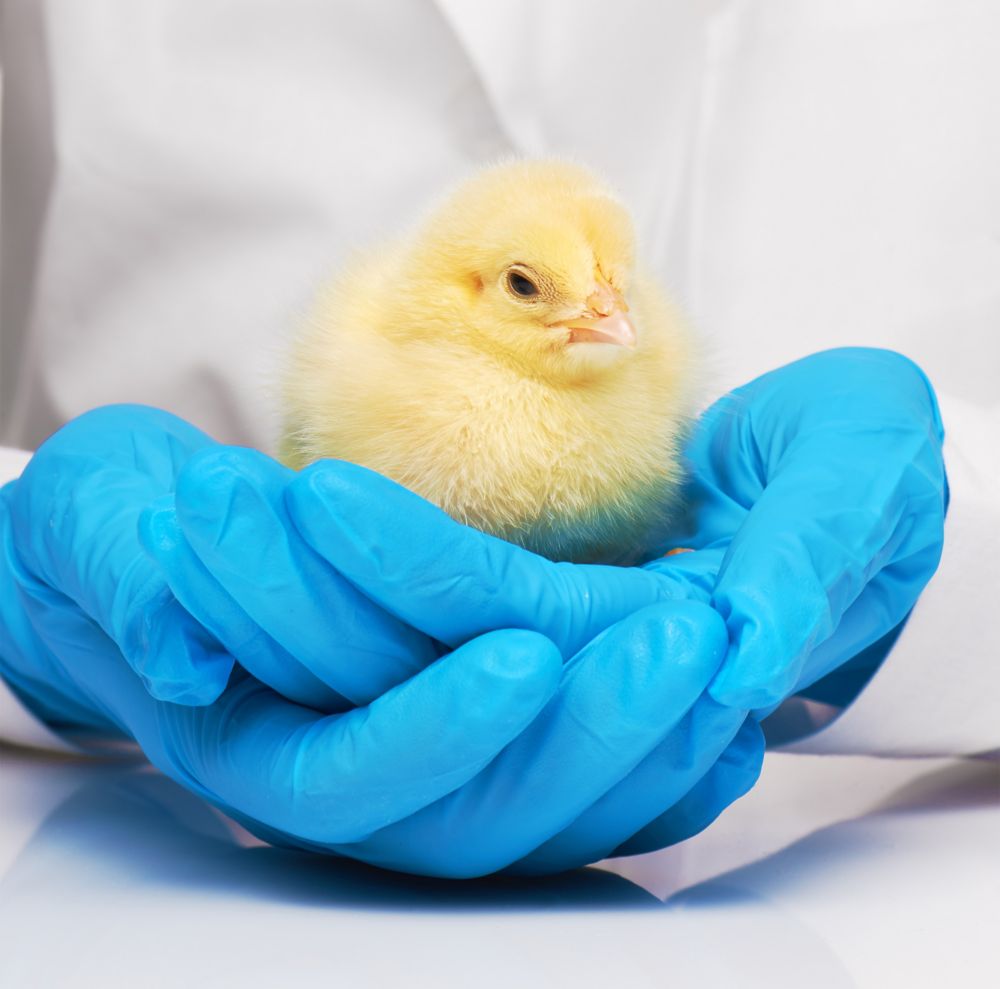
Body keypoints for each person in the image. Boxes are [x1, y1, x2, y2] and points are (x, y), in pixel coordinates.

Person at [1, 1, 996, 878]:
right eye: (529, 286)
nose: (609, 315)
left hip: (874, 870)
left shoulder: (617, 349)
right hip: (108, 817)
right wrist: (32, 612)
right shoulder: (381, 351)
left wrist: (938, 589)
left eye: (613, 289)